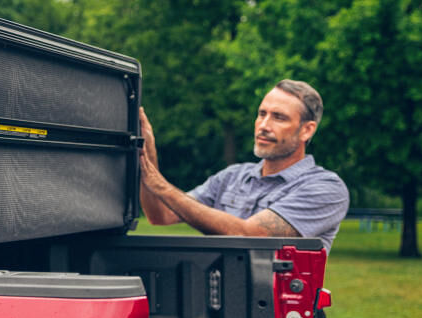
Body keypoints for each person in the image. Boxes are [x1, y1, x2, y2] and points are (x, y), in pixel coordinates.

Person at [138, 79, 349, 249]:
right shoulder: (232, 176)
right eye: (262, 114)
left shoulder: (325, 188)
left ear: (307, 130)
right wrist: (147, 150)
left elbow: (249, 235)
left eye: (279, 117)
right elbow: (160, 215)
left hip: (272, 302)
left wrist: (161, 187)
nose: (264, 125)